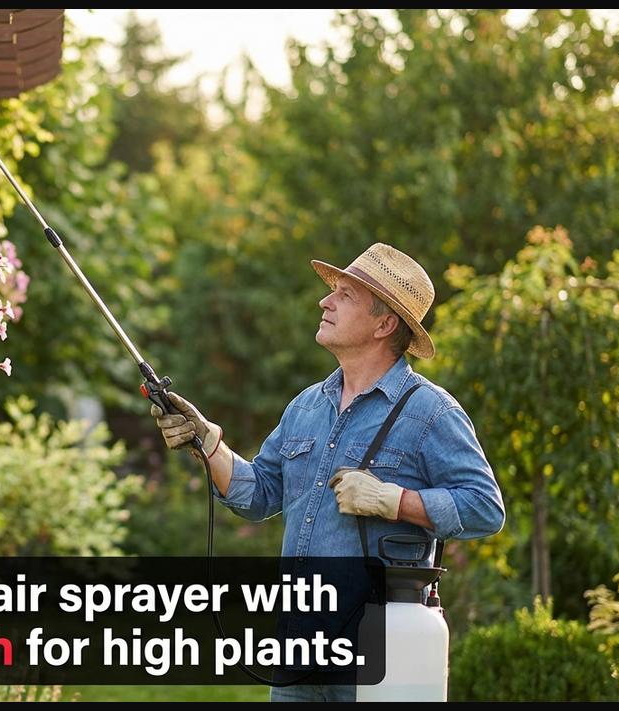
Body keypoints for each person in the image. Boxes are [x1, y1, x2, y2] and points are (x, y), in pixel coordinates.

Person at [152, 243, 505, 702]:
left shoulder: (431, 412)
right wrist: (209, 444)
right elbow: (260, 493)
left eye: (345, 294)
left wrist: (393, 500)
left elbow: (485, 508)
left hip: (381, 655)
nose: (325, 301)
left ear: (384, 324)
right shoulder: (306, 406)